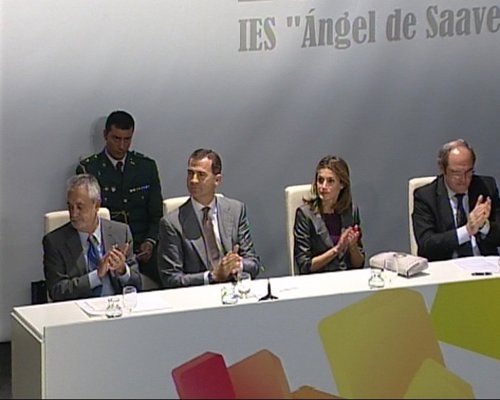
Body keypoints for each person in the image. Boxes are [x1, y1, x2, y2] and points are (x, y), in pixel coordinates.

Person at [77, 110, 163, 287]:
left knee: (168, 277)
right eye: (116, 139)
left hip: (142, 246)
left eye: (127, 139)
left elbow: (156, 215)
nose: (122, 146)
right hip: (108, 247)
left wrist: (150, 242)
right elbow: (87, 219)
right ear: (105, 135)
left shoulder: (145, 167)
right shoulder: (89, 170)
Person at [157, 148, 262, 288]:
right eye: (190, 173)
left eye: (201, 175)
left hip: (234, 289)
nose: (193, 180)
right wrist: (212, 276)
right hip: (199, 294)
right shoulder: (172, 223)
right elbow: (171, 279)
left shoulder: (236, 211)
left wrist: (236, 265)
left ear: (217, 180)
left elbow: (254, 264)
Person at [43, 174, 141, 301]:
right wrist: (95, 276)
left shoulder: (121, 233)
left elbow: (137, 284)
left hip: (117, 307)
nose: (73, 213)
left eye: (80, 207)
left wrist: (122, 270)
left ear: (96, 205)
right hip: (78, 309)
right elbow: (57, 291)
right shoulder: (55, 242)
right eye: (70, 207)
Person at [412, 139, 500, 261]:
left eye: (468, 172)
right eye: (456, 173)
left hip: (484, 264)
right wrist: (467, 231)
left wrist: (484, 226)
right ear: (442, 169)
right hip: (446, 266)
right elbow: (426, 245)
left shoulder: (486, 187)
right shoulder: (426, 196)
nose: (463, 179)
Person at [293, 155, 365, 274]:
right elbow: (305, 266)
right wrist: (337, 249)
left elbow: (359, 264)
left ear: (342, 184)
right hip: (318, 279)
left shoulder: (351, 212)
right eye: (320, 180)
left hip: (346, 279)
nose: (323, 187)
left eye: (330, 181)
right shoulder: (305, 215)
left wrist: (353, 247)